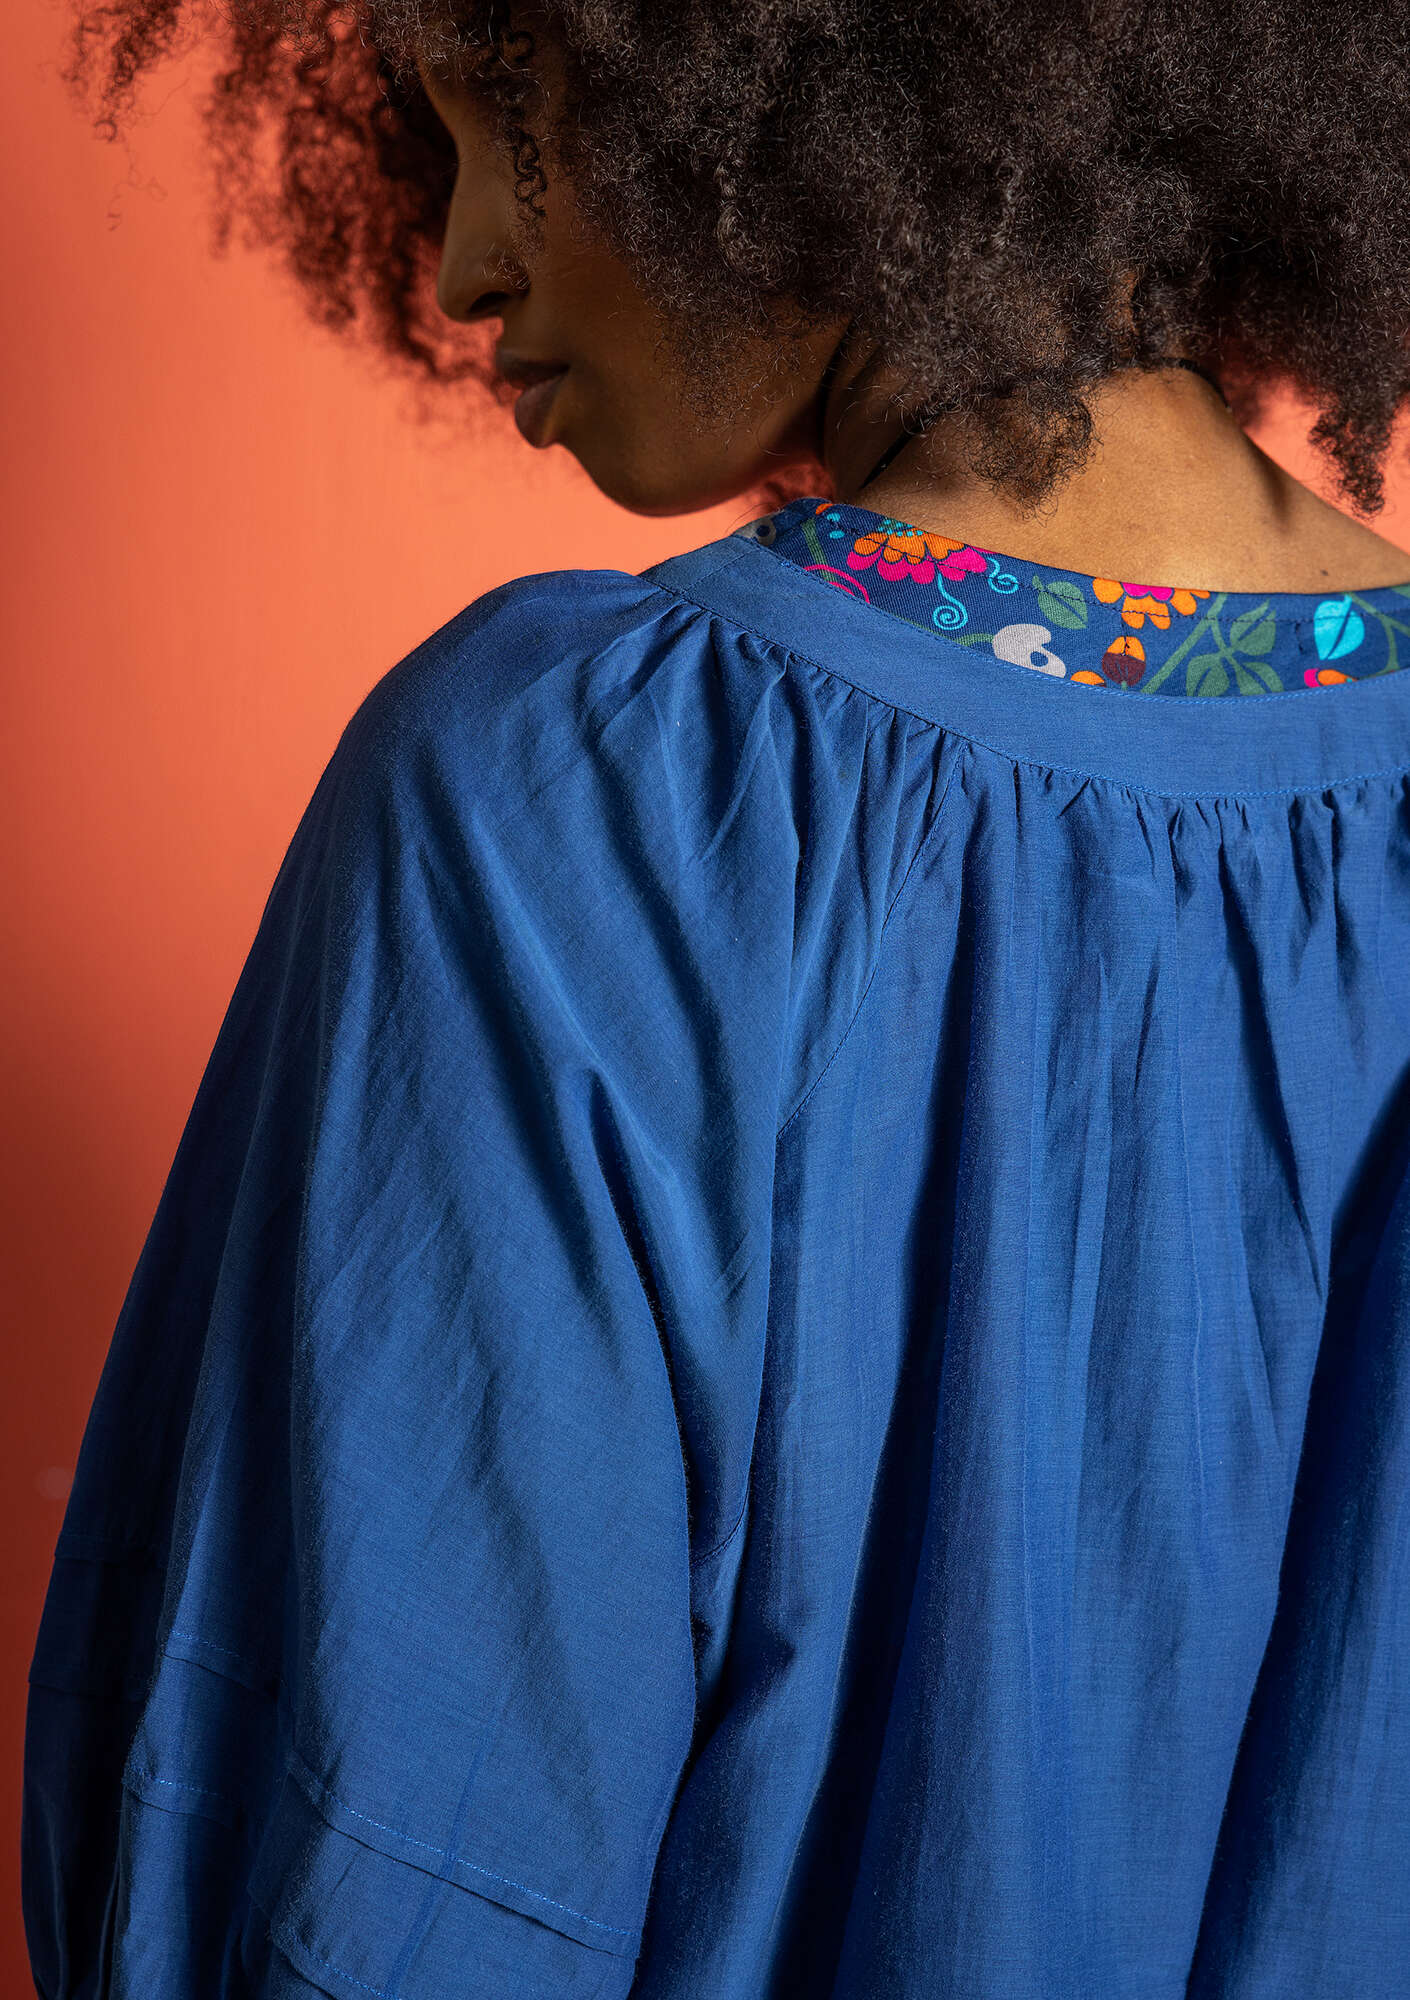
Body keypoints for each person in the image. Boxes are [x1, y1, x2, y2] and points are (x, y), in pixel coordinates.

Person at [23, 2, 1410, 1995]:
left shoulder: (577, 792)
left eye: (518, 121)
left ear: (802, 83)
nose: (462, 261)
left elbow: (398, 1851)